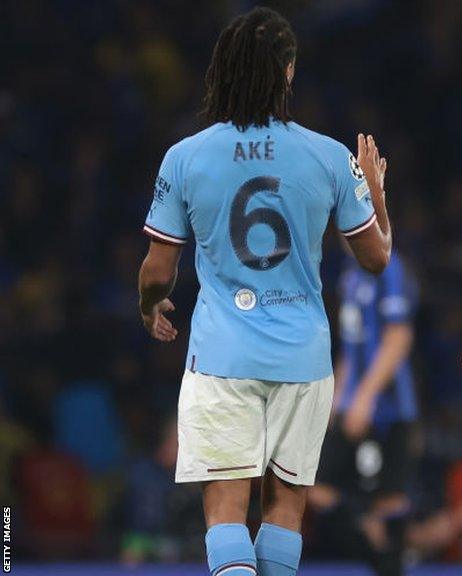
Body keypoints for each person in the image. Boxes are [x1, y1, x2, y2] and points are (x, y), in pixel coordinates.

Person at [136, 7, 392, 576]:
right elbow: (377, 259)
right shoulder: (329, 156)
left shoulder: (186, 157)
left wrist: (150, 306)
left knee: (226, 509)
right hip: (303, 358)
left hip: (223, 357)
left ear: (221, 71)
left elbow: (158, 269)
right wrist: (377, 200)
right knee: (285, 511)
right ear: (290, 71)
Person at [310, 249, 418, 575]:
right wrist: (334, 401)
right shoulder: (349, 273)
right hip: (355, 402)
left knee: (390, 501)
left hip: (391, 408)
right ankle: (380, 558)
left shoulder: (388, 265)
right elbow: (351, 346)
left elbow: (399, 336)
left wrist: (365, 396)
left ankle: (389, 563)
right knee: (316, 487)